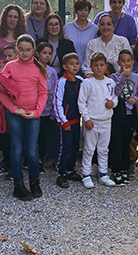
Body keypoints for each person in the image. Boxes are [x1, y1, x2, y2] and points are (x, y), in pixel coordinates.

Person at [0, 34, 48, 201]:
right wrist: (13, 108)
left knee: (32, 150)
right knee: (16, 148)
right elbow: (1, 90)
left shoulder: (39, 68)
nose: (25, 53)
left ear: (34, 51)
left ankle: (34, 181)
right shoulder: (10, 67)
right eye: (21, 50)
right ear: (16, 49)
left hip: (33, 114)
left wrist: (37, 112)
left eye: (28, 50)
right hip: (15, 114)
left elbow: (43, 92)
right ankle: (18, 183)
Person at [78, 52, 118, 189]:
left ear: (106, 66)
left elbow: (115, 97)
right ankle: (86, 174)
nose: (99, 68)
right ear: (91, 67)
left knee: (103, 149)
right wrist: (86, 119)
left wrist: (112, 104)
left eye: (102, 65)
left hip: (106, 120)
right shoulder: (87, 83)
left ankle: (103, 174)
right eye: (96, 65)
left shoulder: (110, 82)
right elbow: (81, 102)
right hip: (92, 121)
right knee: (89, 149)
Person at [110, 50, 138, 185]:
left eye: (128, 61)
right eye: (123, 61)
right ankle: (115, 169)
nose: (126, 63)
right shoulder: (113, 77)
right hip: (118, 114)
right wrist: (123, 76)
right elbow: (116, 92)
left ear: (132, 62)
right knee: (116, 142)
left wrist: (135, 99)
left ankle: (125, 168)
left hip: (130, 115)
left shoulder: (136, 78)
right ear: (118, 62)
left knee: (126, 142)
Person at [53, 53, 84, 188]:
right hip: (66, 122)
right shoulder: (62, 82)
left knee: (75, 147)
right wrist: (63, 120)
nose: (75, 66)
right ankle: (61, 174)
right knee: (65, 148)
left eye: (77, 63)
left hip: (77, 120)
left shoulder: (80, 81)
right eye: (72, 64)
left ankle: (71, 170)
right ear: (65, 66)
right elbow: (57, 102)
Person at [0, 44, 18, 177]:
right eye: (5, 56)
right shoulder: (1, 71)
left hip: (15, 109)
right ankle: (7, 164)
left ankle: (15, 168)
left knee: (14, 140)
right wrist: (0, 73)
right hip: (1, 109)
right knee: (3, 138)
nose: (7, 59)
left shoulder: (19, 71)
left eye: (10, 56)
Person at [35, 41, 59, 172]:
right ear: (38, 53)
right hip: (36, 110)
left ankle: (49, 159)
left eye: (50, 54)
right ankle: (35, 160)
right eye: (44, 53)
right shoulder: (33, 69)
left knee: (49, 136)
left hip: (49, 110)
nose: (47, 56)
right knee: (37, 137)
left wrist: (55, 111)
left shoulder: (52, 71)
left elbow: (55, 90)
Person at [64, 0, 99, 66]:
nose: (83, 12)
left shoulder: (95, 29)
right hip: (71, 68)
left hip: (89, 68)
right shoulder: (67, 27)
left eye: (85, 10)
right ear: (75, 11)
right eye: (80, 10)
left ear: (89, 11)